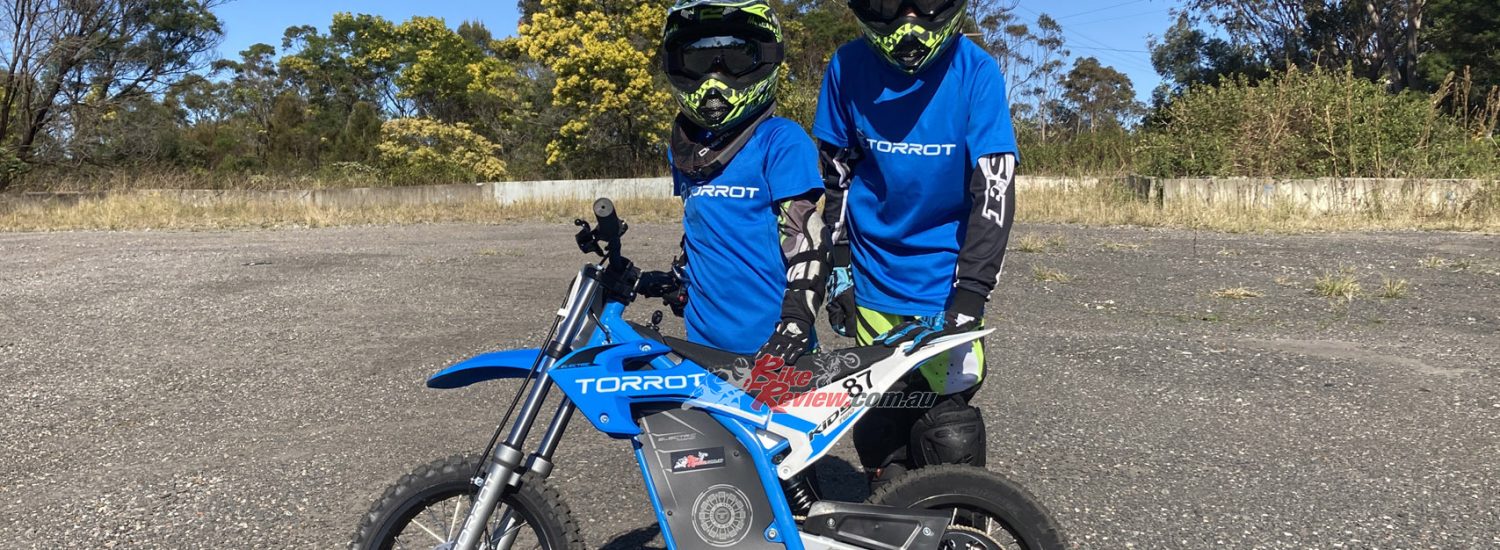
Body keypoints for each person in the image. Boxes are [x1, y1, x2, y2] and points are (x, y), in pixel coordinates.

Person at [813, 0, 1019, 489]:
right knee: (884, 416)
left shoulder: (976, 70)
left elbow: (994, 186)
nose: (908, 20)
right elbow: (836, 177)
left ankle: (961, 521)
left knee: (949, 428)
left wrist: (972, 291)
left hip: (945, 282)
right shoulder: (847, 65)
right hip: (873, 275)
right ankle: (889, 513)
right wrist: (838, 268)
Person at [640, 0, 828, 368]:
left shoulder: (781, 140)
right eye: (698, 60)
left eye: (734, 58)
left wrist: (795, 323)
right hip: (701, 350)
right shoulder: (686, 152)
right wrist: (678, 279)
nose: (715, 78)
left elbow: (807, 237)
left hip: (777, 350)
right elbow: (703, 228)